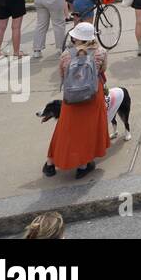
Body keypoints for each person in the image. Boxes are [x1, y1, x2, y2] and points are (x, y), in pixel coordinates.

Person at [43, 22, 110, 179]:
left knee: (65, 129)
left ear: (76, 38)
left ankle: (51, 162)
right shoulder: (101, 52)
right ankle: (83, 165)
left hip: (71, 97)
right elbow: (102, 70)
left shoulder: (66, 55)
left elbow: (62, 74)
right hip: (93, 95)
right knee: (88, 130)